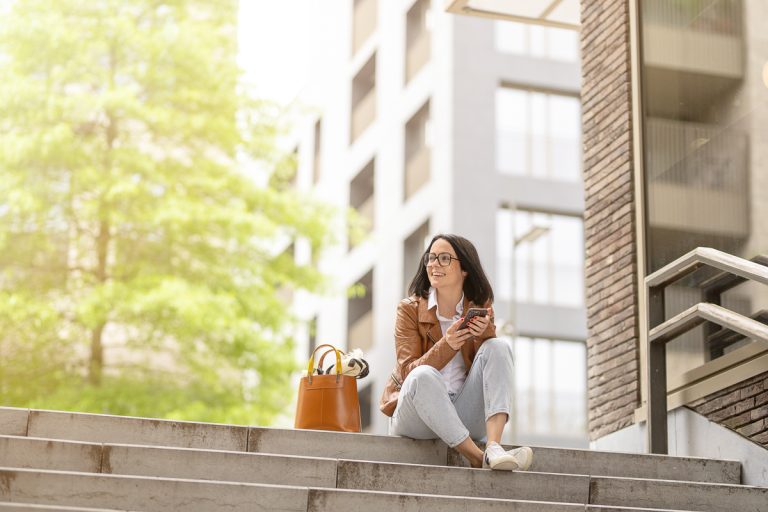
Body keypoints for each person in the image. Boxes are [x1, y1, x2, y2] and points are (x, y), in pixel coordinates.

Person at [379, 234, 533, 470]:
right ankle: (477, 457)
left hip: (462, 413)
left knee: (499, 346)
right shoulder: (408, 309)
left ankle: (493, 446)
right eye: (431, 258)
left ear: (464, 269)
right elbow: (408, 372)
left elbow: (493, 369)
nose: (433, 264)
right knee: (424, 375)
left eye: (443, 258)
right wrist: (448, 344)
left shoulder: (480, 307)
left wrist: (484, 333)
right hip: (415, 417)